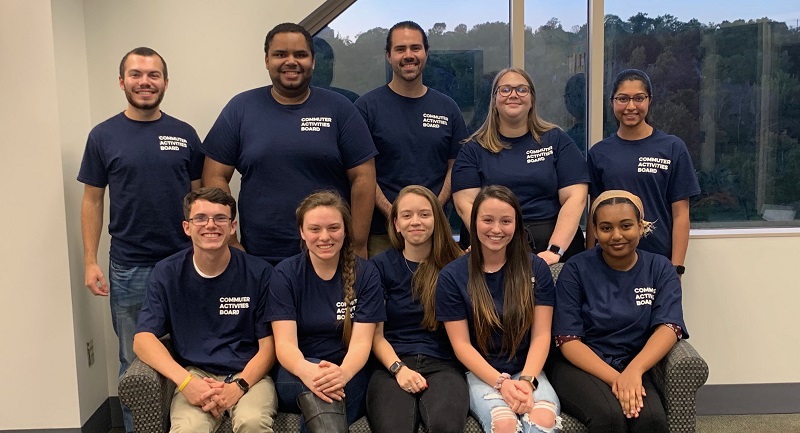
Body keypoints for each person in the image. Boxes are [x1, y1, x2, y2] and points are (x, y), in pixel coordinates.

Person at [77, 46, 203, 432]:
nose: (145, 82)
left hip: (187, 264)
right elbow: (93, 199)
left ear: (166, 82)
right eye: (136, 74)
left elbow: (200, 199)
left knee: (193, 352)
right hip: (130, 267)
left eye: (153, 75)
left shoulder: (184, 134)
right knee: (135, 362)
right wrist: (90, 260)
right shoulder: (103, 135)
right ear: (122, 82)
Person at [201, 22, 377, 264]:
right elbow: (214, 175)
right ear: (266, 60)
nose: (291, 61)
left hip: (328, 254)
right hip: (260, 258)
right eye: (280, 54)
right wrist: (229, 240)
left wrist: (357, 245)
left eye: (300, 55)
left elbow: (363, 178)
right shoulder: (241, 109)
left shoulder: (340, 109)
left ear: (313, 61)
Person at [133, 187, 277, 432]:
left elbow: (270, 346)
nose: (211, 225)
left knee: (252, 422)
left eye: (220, 218)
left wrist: (239, 386)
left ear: (232, 227)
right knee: (189, 429)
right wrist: (186, 382)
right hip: (195, 374)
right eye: (200, 218)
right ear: (187, 227)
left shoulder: (259, 273)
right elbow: (142, 340)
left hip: (249, 375)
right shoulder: (167, 273)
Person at [546, 190, 687, 433]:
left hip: (633, 362)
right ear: (595, 231)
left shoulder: (659, 267)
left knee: (651, 420)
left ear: (641, 227)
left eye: (626, 225)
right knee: (609, 417)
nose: (617, 235)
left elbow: (670, 327)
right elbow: (568, 340)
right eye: (606, 228)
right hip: (580, 365)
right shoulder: (576, 269)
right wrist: (617, 380)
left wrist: (634, 371)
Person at [437, 186, 561, 433]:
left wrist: (527, 381)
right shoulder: (452, 276)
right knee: (504, 423)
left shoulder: (536, 269)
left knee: (543, 418)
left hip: (528, 370)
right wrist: (501, 382)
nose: (496, 229)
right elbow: (461, 345)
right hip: (480, 373)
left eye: (506, 221)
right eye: (487, 220)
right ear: (474, 223)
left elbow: (541, 335)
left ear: (516, 224)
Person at [267, 191, 386, 433]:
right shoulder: (285, 274)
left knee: (323, 402)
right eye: (314, 229)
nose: (325, 237)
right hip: (296, 372)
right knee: (322, 395)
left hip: (351, 372)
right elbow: (285, 345)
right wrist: (308, 371)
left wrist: (342, 374)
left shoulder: (367, 273)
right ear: (302, 232)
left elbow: (362, 342)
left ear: (345, 230)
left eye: (333, 228)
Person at [452, 67, 588, 264]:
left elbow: (576, 198)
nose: (513, 95)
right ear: (494, 101)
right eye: (505, 90)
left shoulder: (556, 140)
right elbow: (465, 205)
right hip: (493, 246)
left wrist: (554, 251)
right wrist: (494, 246)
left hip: (554, 249)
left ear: (532, 100)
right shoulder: (473, 149)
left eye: (522, 90)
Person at [355, 20, 467, 257]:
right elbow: (362, 174)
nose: (409, 55)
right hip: (382, 235)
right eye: (400, 49)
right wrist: (395, 214)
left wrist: (431, 211)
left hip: (436, 235)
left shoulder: (447, 108)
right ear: (388, 55)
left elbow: (455, 167)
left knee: (437, 294)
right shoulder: (366, 108)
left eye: (415, 48)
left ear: (426, 53)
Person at [367, 185, 468, 433]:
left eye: (424, 214)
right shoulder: (378, 267)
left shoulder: (456, 266)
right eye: (407, 215)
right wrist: (398, 369)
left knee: (445, 426)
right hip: (391, 365)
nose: (416, 222)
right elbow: (374, 334)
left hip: (444, 365)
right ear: (396, 223)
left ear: (437, 219)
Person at [586, 69, 700, 275]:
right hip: (608, 263)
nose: (631, 106)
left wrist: (676, 269)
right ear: (612, 101)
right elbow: (593, 212)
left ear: (649, 100)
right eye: (622, 99)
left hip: (658, 262)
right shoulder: (599, 153)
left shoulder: (672, 148)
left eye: (639, 98)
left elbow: (681, 215)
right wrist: (589, 262)